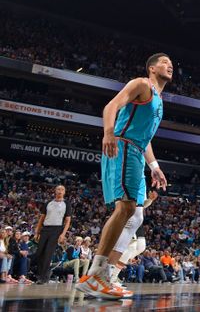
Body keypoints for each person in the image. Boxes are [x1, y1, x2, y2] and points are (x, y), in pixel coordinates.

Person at [76, 53, 171, 299]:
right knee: (126, 208)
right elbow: (111, 106)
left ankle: (107, 275)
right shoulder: (141, 84)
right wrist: (108, 132)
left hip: (138, 152)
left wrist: (155, 166)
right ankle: (95, 275)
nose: (169, 65)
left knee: (136, 214)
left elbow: (147, 138)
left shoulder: (160, 100)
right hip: (123, 146)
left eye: (171, 63)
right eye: (164, 61)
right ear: (151, 68)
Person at [108, 190, 158, 289]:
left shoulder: (142, 183)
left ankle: (116, 267)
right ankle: (112, 277)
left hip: (138, 219)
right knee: (130, 248)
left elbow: (141, 205)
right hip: (129, 216)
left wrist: (150, 200)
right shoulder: (132, 183)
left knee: (141, 247)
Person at [33, 184, 72, 284]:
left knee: (48, 253)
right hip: (45, 228)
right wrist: (37, 230)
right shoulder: (48, 203)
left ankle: (42, 277)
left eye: (62, 189)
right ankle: (43, 274)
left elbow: (67, 221)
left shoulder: (66, 204)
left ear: (64, 192)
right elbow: (42, 217)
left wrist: (63, 234)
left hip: (57, 229)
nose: (60, 191)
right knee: (39, 252)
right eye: (58, 189)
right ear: (55, 191)